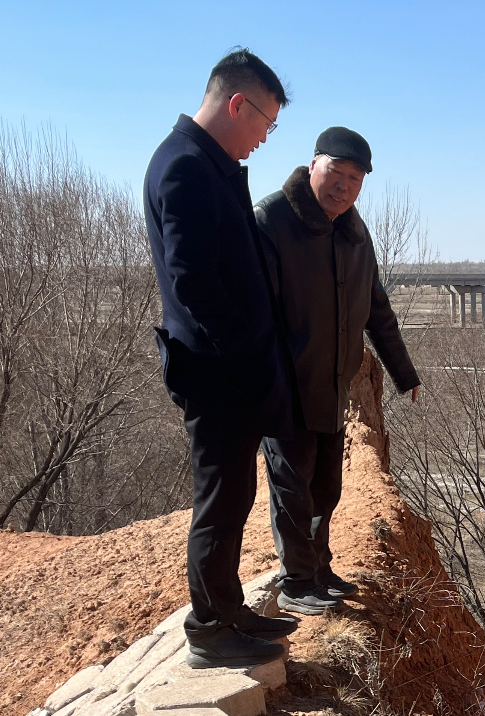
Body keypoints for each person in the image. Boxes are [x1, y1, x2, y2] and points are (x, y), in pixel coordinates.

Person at [144, 48, 299, 668]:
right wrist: (247, 356)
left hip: (229, 370)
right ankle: (210, 628)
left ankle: (228, 608)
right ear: (238, 103)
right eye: (266, 123)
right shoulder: (184, 166)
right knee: (219, 499)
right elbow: (194, 284)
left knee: (235, 496)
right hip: (215, 373)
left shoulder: (211, 164)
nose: (265, 139)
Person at [254, 127, 420, 615]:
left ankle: (319, 568)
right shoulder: (271, 221)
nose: (343, 185)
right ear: (313, 166)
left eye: (354, 178)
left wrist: (403, 371)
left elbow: (375, 307)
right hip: (285, 387)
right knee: (291, 483)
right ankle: (295, 580)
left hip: (332, 384)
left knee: (326, 484)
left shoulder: (354, 232)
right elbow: (251, 313)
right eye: (335, 172)